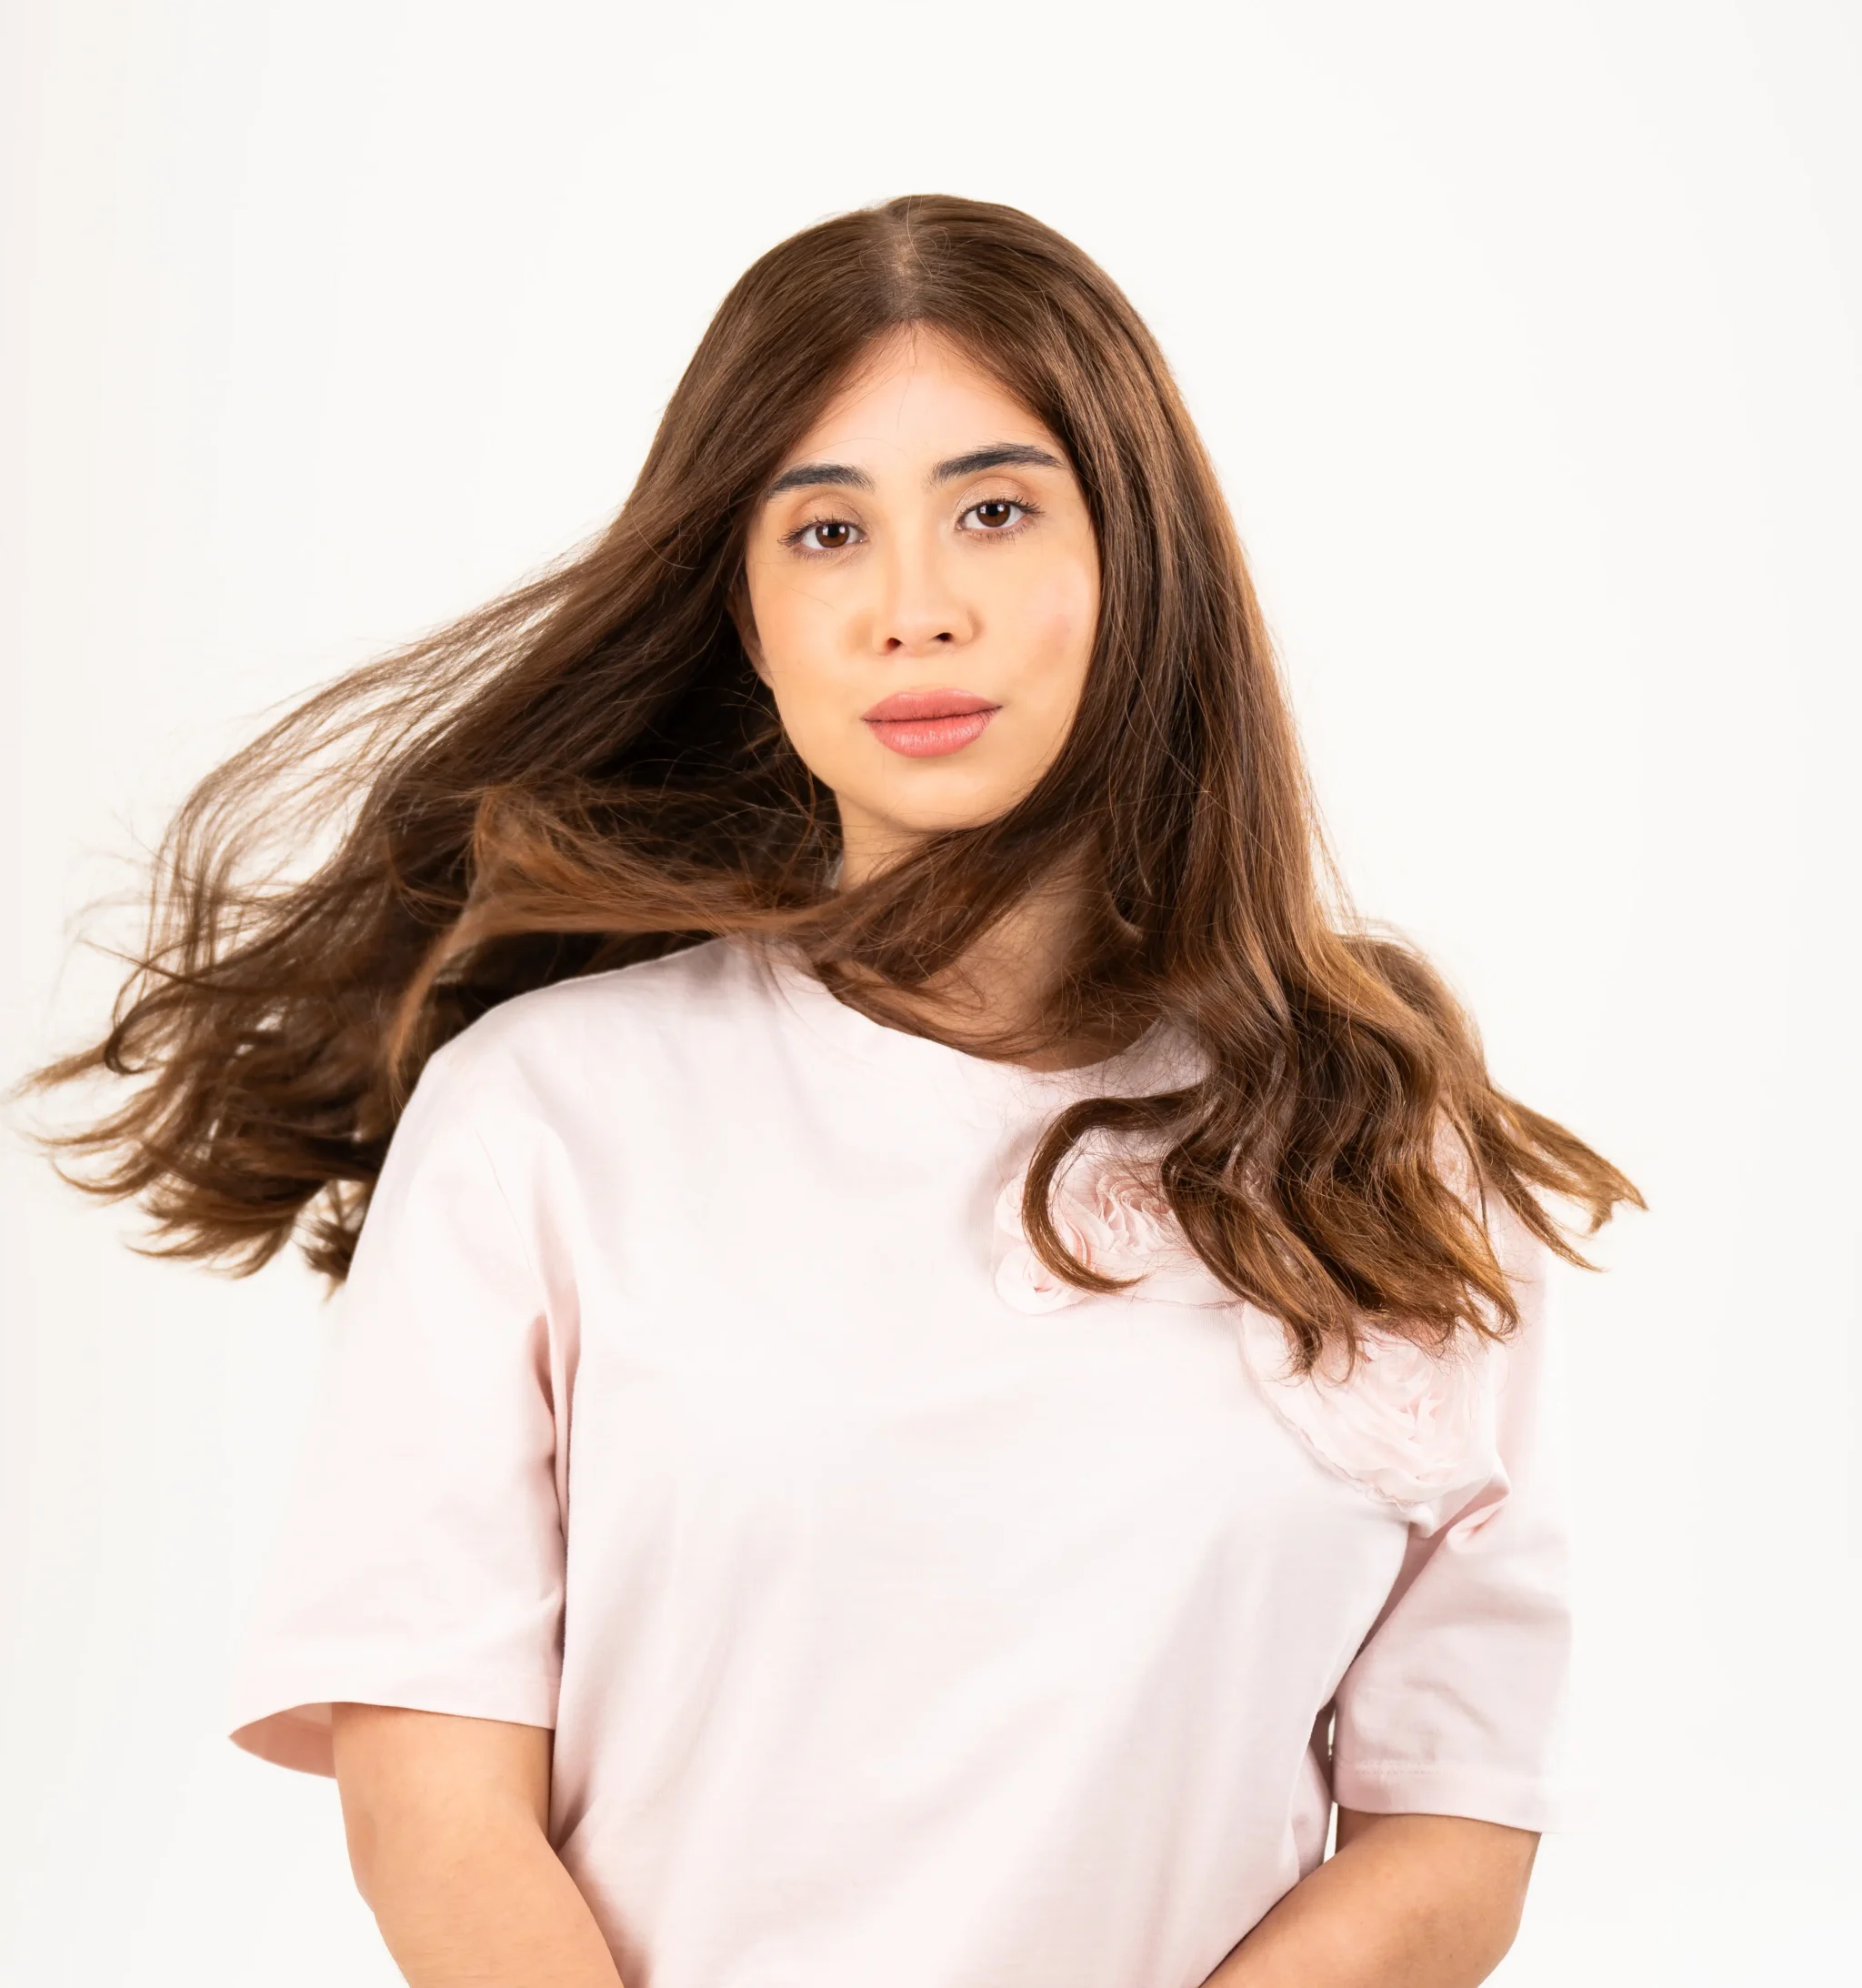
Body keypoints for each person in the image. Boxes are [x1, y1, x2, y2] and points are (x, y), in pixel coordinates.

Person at [26, 195, 1640, 1988]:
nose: (912, 611)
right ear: (746, 613)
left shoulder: (1384, 1156)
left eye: (995, 509)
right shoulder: (541, 1122)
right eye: (825, 531)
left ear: (1142, 560)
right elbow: (436, 1806)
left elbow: (1454, 1822)